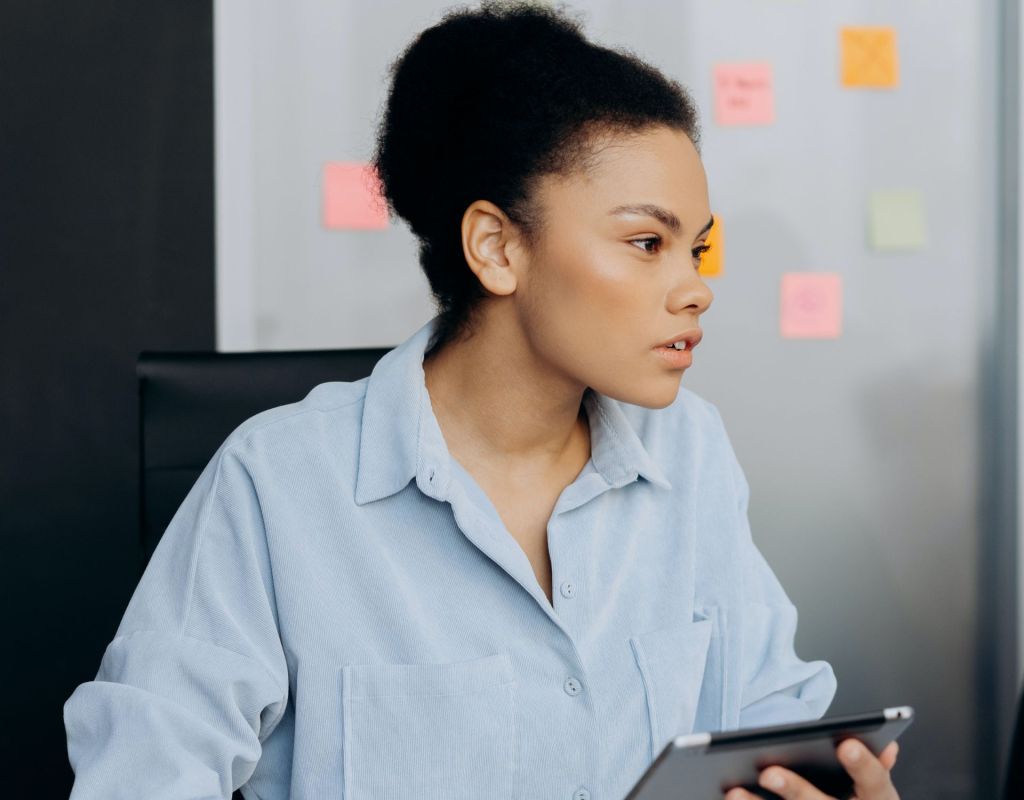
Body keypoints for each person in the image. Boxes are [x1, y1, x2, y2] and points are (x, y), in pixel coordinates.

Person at [63, 2, 899, 798]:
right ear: (497, 248)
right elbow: (142, 776)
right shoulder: (278, 484)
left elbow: (769, 717)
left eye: (697, 249)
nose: (695, 289)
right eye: (647, 242)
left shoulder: (691, 451)